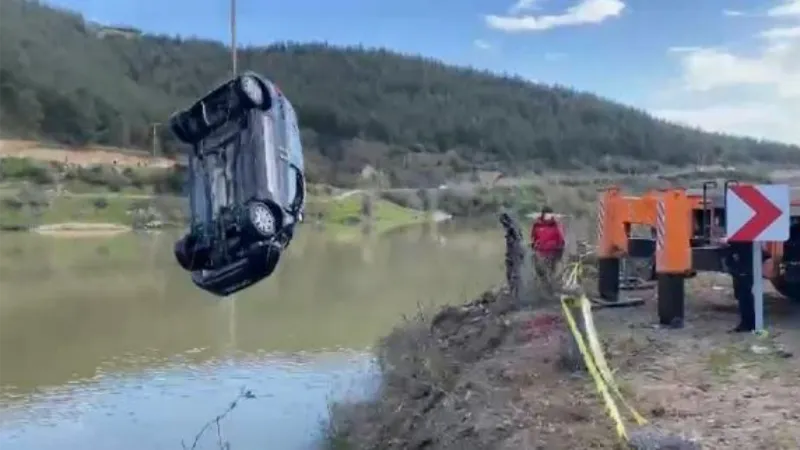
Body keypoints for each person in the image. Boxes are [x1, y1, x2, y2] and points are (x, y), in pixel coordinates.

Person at [724, 241, 755, 332]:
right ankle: (748, 322)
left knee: (744, 291)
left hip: (743, 256)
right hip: (740, 255)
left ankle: (748, 323)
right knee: (742, 291)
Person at [530, 206, 566, 280]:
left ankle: (551, 285)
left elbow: (561, 238)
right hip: (540, 253)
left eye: (550, 214)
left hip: (553, 253)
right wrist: (534, 245)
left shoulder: (556, 225)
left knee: (551, 273)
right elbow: (533, 237)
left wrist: (560, 250)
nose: (548, 216)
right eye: (546, 214)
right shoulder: (537, 225)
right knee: (540, 272)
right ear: (543, 214)